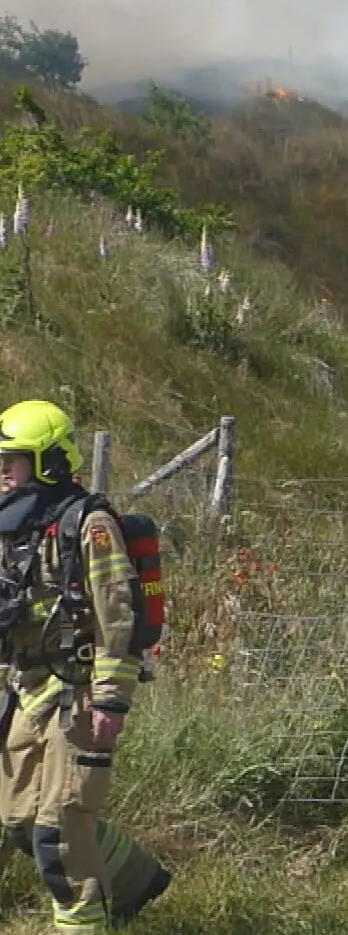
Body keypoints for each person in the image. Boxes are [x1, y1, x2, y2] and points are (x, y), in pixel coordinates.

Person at [0, 399, 170, 934]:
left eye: (14, 459)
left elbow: (115, 616)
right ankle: (137, 879)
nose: (2, 471)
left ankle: (83, 922)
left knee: (59, 833)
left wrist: (111, 699)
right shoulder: (18, 527)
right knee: (15, 820)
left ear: (47, 461)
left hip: (79, 695)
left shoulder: (88, 524)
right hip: (27, 689)